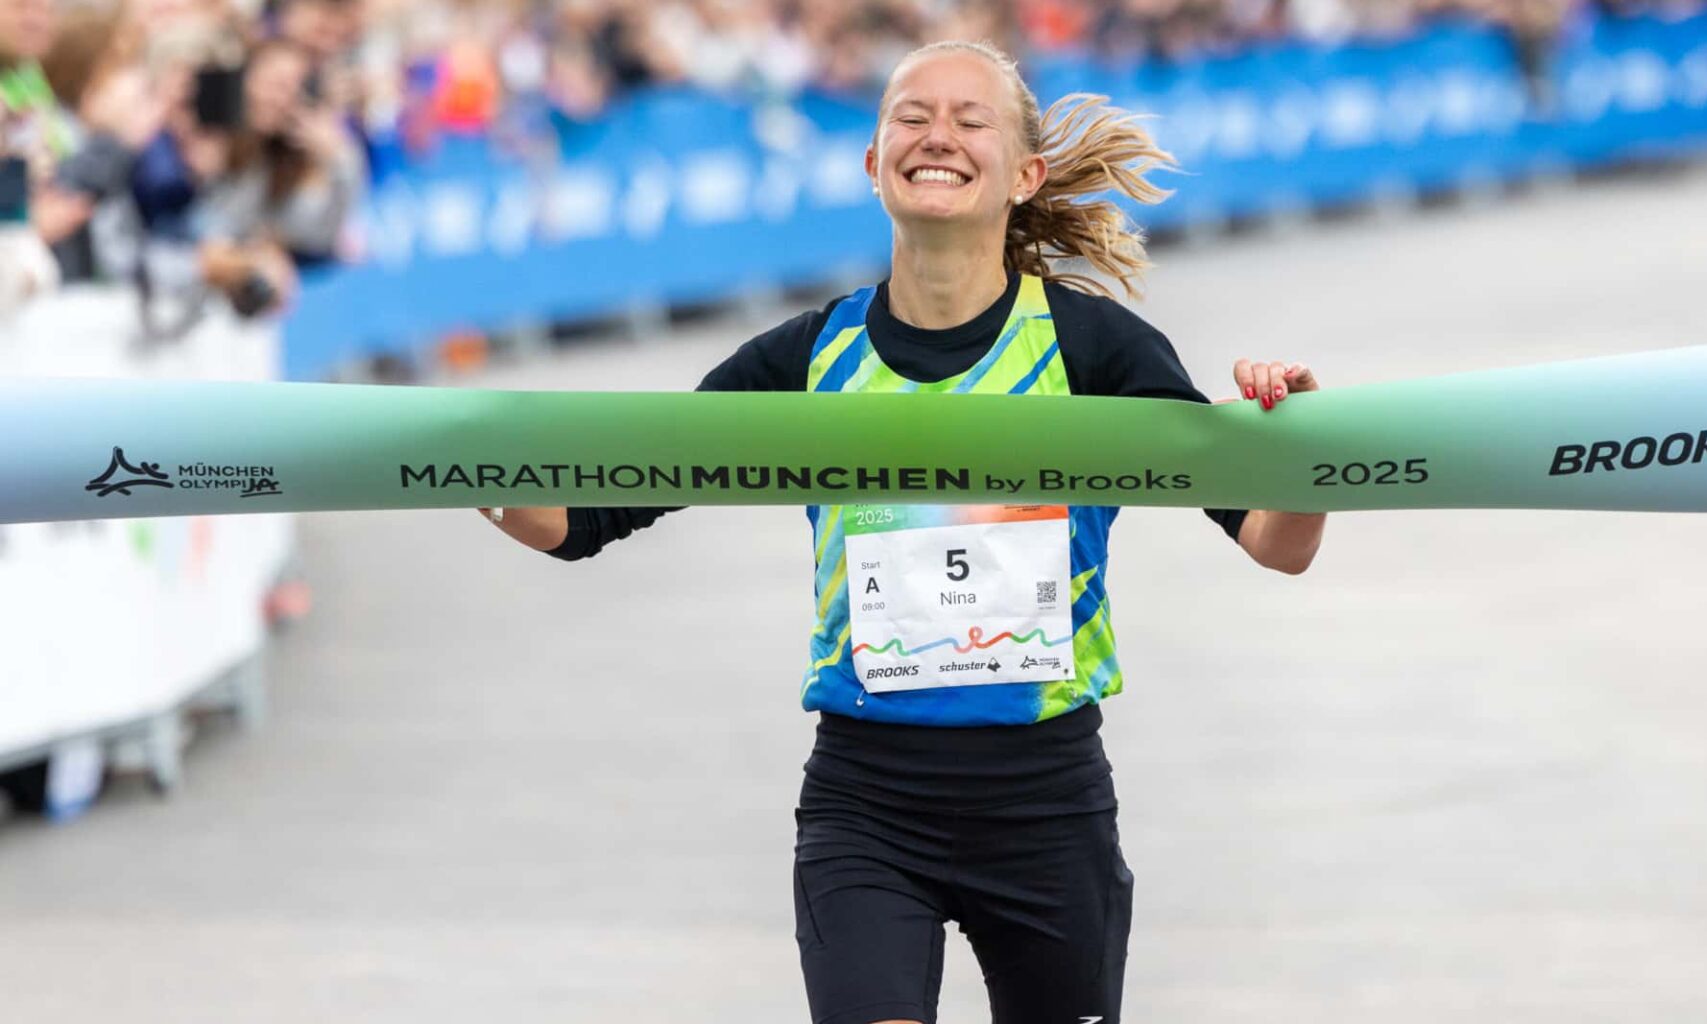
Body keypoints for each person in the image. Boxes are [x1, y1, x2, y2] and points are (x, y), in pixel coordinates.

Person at [485, 39, 1325, 1024]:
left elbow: (1276, 540)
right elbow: (585, 519)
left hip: (1047, 801)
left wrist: (1293, 448)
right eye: (911, 117)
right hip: (868, 802)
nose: (939, 136)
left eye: (972, 121)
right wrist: (465, 468)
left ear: (1026, 173)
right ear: (872, 160)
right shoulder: (807, 359)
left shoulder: (1096, 349)